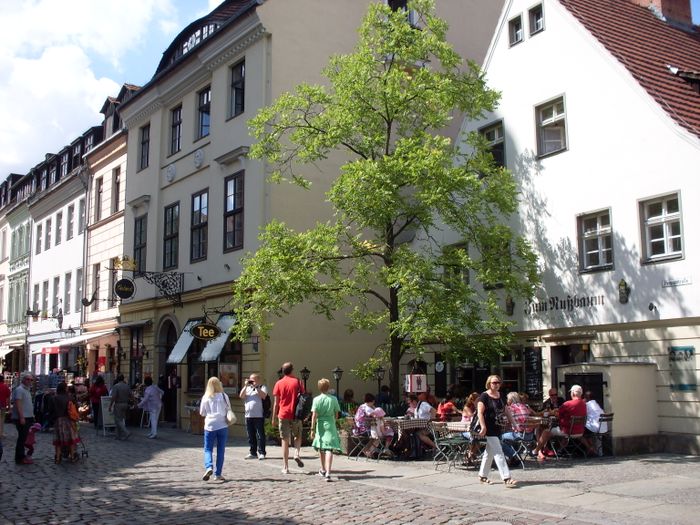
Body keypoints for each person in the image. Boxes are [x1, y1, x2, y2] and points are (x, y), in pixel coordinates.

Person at [476, 375, 517, 487]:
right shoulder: (484, 396)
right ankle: (506, 477)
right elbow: (480, 412)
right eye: (494, 382)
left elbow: (506, 410)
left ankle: (482, 475)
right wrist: (483, 426)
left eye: (498, 382)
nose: (497, 384)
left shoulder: (500, 395)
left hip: (498, 426)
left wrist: (513, 423)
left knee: (489, 453)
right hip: (488, 427)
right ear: (489, 383)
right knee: (499, 452)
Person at [538, 384, 589, 459]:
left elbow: (558, 414)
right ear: (549, 395)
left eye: (555, 394)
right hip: (580, 431)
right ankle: (550, 450)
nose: (554, 396)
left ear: (573, 393)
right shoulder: (584, 404)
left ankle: (537, 450)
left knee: (545, 431)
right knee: (543, 428)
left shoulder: (565, 402)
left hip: (567, 431)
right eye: (552, 395)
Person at [272, 362, 305, 474]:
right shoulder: (298, 382)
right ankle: (296, 453)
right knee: (298, 435)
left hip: (283, 414)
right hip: (295, 414)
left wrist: (273, 418)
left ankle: (285, 467)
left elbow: (276, 403)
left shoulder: (279, 383)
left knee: (285, 440)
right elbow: (303, 398)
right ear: (292, 370)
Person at [309, 378, 342, 482]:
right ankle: (328, 472)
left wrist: (312, 429)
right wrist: (333, 420)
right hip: (330, 424)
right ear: (328, 387)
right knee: (329, 449)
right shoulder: (333, 399)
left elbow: (314, 415)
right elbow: (337, 413)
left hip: (320, 425)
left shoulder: (316, 399)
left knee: (321, 447)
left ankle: (323, 469)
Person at [199, 377, 230, 482]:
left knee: (208, 449)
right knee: (221, 450)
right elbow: (228, 410)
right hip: (222, 425)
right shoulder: (224, 396)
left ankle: (209, 467)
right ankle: (218, 474)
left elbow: (202, 413)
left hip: (209, 425)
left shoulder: (206, 397)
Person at [239, 373, 268, 460]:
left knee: (260, 435)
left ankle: (262, 452)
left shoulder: (263, 387)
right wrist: (245, 386)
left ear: (258, 380)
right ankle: (253, 452)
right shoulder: (247, 388)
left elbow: (263, 396)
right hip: (248, 415)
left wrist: (256, 387)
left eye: (254, 380)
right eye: (250, 380)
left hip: (259, 415)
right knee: (251, 435)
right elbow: (241, 396)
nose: (252, 382)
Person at [52, 382, 81, 463]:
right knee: (71, 439)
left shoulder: (54, 398)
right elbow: (75, 408)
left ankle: (57, 458)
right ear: (65, 389)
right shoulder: (69, 398)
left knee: (58, 440)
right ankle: (72, 456)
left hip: (58, 420)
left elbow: (51, 409)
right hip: (68, 420)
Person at [11, 372, 36, 464]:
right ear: (23, 380)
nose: (29, 381)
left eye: (31, 380)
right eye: (27, 379)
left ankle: (22, 456)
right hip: (22, 417)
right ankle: (20, 458)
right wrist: (21, 417)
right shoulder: (20, 390)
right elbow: (18, 404)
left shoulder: (27, 390)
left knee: (24, 437)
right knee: (22, 438)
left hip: (28, 417)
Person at [353, 393, 381, 457]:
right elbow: (377, 415)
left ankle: (366, 450)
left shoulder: (362, 406)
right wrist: (374, 408)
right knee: (378, 436)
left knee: (374, 436)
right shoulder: (368, 408)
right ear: (373, 401)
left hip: (357, 429)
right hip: (363, 430)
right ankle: (368, 451)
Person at [109, 374, 132, 440]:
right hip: (125, 404)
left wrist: (110, 405)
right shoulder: (127, 386)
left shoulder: (116, 386)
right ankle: (117, 435)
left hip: (118, 404)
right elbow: (131, 395)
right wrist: (134, 402)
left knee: (118, 420)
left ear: (117, 379)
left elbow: (114, 397)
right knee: (120, 420)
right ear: (123, 379)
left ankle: (126, 432)